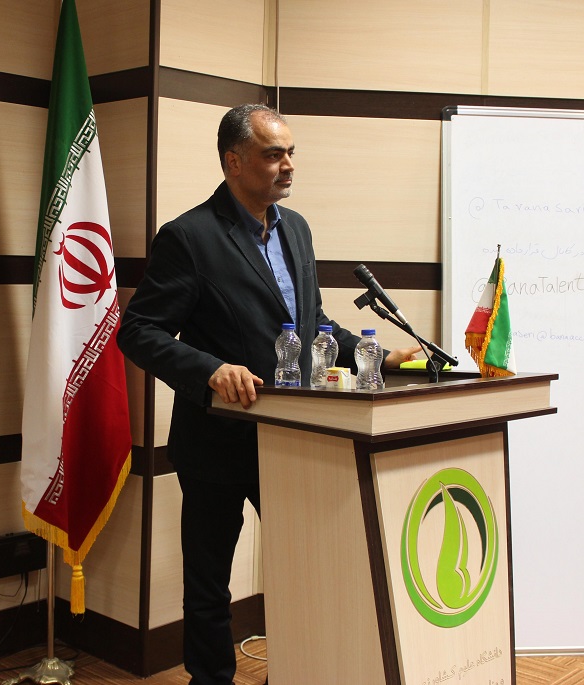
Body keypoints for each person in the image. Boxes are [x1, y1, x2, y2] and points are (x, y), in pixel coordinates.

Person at [117, 103, 420, 685]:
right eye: (273, 154)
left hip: (294, 438)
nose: (288, 166)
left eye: (291, 153)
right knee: (209, 579)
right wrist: (209, 369)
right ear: (233, 161)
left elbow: (312, 323)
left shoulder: (296, 228)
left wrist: (377, 355)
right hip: (218, 440)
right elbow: (139, 330)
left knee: (307, 566)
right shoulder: (189, 237)